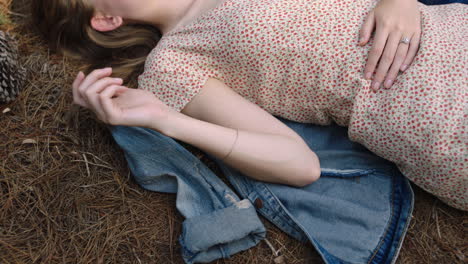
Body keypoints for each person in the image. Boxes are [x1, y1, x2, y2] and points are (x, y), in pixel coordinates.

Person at [32, 0, 467, 210]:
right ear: (106, 18)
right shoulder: (173, 62)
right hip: (435, 115)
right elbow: (299, 164)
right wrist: (165, 120)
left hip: (452, 29)